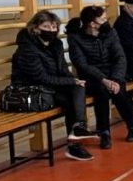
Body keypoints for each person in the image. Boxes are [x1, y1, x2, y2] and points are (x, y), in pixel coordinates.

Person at [10, 10, 98, 160]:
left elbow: (63, 69)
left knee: (78, 88)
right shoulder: (27, 48)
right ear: (36, 28)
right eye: (46, 27)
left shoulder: (56, 44)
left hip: (51, 86)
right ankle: (75, 142)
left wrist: (73, 80)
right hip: (33, 89)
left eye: (54, 27)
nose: (51, 30)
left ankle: (78, 129)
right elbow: (40, 77)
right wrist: (70, 81)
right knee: (71, 99)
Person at [66, 6, 133, 149]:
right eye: (103, 19)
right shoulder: (75, 38)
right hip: (92, 77)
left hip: (113, 74)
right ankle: (104, 133)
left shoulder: (110, 33)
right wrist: (103, 79)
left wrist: (115, 79)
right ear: (92, 24)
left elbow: (120, 57)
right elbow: (82, 64)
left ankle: (132, 126)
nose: (106, 22)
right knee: (101, 91)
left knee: (119, 91)